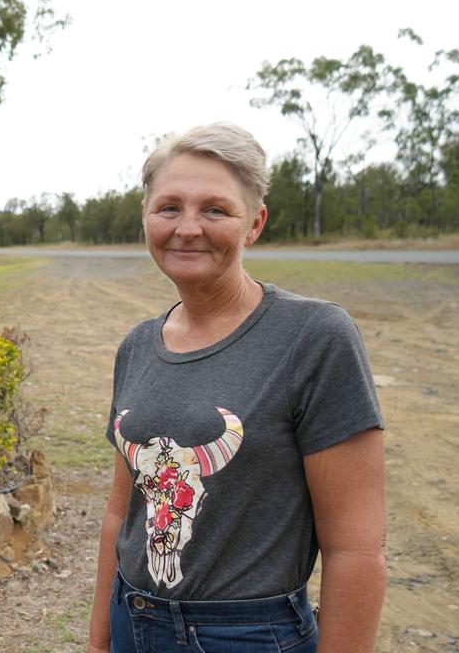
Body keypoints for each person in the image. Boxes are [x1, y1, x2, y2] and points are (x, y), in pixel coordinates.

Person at [87, 123, 386, 653]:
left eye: (216, 210)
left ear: (254, 224)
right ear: (146, 218)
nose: (187, 228)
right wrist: (99, 642)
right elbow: (121, 516)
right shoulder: (136, 346)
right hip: (131, 619)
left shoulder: (314, 337)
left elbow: (355, 548)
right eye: (169, 207)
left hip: (248, 635)